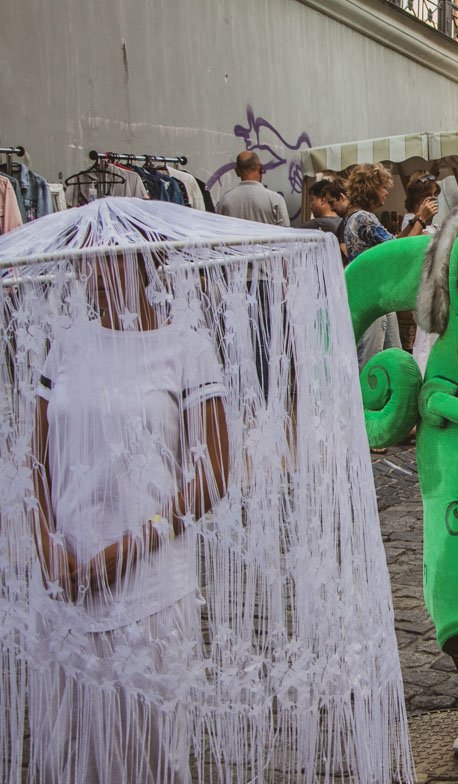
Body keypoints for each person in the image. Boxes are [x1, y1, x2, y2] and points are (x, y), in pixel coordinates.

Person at [30, 251, 229, 782]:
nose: (91, 273)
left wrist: (130, 548)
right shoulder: (67, 345)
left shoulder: (186, 346)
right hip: (68, 580)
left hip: (152, 583)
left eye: (107, 261)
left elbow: (213, 472)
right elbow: (35, 458)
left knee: (153, 747)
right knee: (76, 742)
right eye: (87, 263)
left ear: (145, 264)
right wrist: (47, 544)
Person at [343, 164, 401, 372]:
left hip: (374, 295)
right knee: (374, 360)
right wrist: (420, 220)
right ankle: (365, 404)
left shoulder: (352, 217)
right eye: (383, 187)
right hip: (374, 296)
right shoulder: (364, 218)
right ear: (370, 188)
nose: (386, 192)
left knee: (389, 355)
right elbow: (396, 249)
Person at [216, 151, 289, 226]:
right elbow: (286, 233)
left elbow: (218, 231)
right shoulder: (276, 200)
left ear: (237, 171)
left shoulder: (224, 201)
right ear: (261, 169)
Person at [399, 171, 441, 237]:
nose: (434, 198)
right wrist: (422, 219)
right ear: (416, 198)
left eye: (435, 194)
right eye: (428, 195)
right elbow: (408, 243)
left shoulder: (429, 220)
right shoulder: (410, 219)